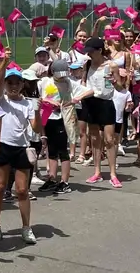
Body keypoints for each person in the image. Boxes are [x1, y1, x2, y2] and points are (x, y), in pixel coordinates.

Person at [0, 62, 42, 246]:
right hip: (3, 147)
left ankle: (26, 227)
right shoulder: (0, 100)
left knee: (22, 190)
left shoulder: (28, 104)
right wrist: (3, 64)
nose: (13, 86)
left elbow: (35, 127)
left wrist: (38, 111)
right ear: (5, 84)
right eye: (10, 83)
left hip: (21, 148)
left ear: (23, 84)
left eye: (17, 83)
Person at [73, 37, 121, 187]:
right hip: (89, 102)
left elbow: (120, 87)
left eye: (91, 52)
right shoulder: (87, 64)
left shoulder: (111, 65)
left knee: (109, 139)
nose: (89, 55)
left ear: (100, 50)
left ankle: (113, 173)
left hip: (105, 103)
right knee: (94, 138)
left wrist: (114, 81)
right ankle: (97, 172)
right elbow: (84, 83)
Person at [35, 58, 77, 195]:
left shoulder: (68, 83)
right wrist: (45, 100)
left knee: (62, 151)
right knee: (50, 150)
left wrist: (74, 100)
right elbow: (39, 97)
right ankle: (52, 179)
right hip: (47, 119)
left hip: (61, 119)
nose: (62, 77)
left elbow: (89, 91)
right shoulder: (44, 82)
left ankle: (64, 182)